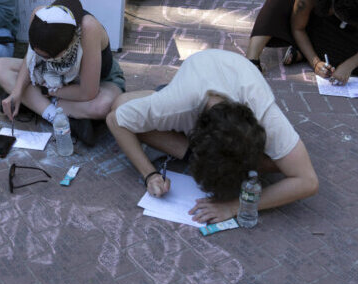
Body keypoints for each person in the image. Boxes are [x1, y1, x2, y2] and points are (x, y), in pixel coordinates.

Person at [107, 50, 319, 223]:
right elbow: (114, 120)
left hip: (230, 75)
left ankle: (154, 99)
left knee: (280, 164)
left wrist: (234, 206)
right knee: (119, 106)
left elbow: (308, 181)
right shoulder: (176, 107)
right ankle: (159, 95)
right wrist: (150, 175)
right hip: (192, 82)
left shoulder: (264, 112)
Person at [0, 0, 126, 146]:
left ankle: (34, 104)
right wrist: (16, 92)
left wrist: (46, 92)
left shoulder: (89, 28)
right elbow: (31, 62)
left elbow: (88, 92)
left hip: (94, 82)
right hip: (50, 78)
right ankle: (57, 116)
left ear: (68, 47)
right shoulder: (40, 16)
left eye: (49, 57)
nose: (43, 58)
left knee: (104, 106)